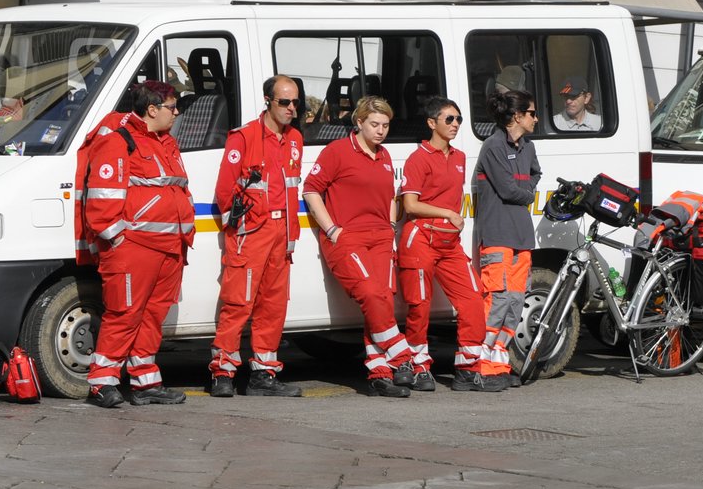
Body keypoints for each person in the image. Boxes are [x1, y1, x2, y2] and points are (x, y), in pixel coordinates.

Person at [83, 80, 196, 407]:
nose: (176, 113)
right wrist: (120, 241)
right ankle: (101, 382)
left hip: (170, 247)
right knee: (124, 314)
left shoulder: (166, 143)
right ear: (151, 109)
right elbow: (102, 203)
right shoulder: (119, 143)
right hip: (134, 249)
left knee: (152, 316)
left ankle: (146, 382)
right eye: (172, 107)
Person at [302, 96, 417, 398]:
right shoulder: (337, 151)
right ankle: (402, 356)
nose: (380, 131)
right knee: (369, 292)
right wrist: (332, 229)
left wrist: (391, 227)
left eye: (385, 125)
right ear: (359, 123)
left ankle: (380, 374)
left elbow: (390, 196)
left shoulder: (385, 156)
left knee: (381, 299)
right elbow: (312, 191)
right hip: (347, 237)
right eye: (374, 124)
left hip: (380, 237)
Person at [208, 75, 305, 398]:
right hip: (252, 233)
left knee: (273, 306)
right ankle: (223, 371)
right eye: (284, 102)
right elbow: (225, 191)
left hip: (283, 235)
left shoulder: (295, 140)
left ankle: (264, 373)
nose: (291, 108)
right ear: (268, 101)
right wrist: (242, 228)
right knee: (238, 303)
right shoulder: (244, 137)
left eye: (295, 102)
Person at [398, 98, 498, 393]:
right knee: (419, 307)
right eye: (449, 119)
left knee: (472, 300)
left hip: (449, 243)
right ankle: (418, 367)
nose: (455, 125)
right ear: (432, 123)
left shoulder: (459, 157)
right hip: (421, 240)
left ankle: (467, 370)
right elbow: (411, 205)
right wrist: (447, 214)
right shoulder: (418, 159)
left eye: (458, 120)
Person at [472, 87, 541, 388]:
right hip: (498, 234)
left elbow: (535, 176)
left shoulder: (528, 147)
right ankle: (480, 366)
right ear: (516, 116)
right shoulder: (493, 146)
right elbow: (509, 190)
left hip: (521, 237)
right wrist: (525, 193)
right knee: (496, 302)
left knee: (515, 302)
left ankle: (498, 363)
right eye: (532, 113)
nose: (536, 119)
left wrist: (524, 191)